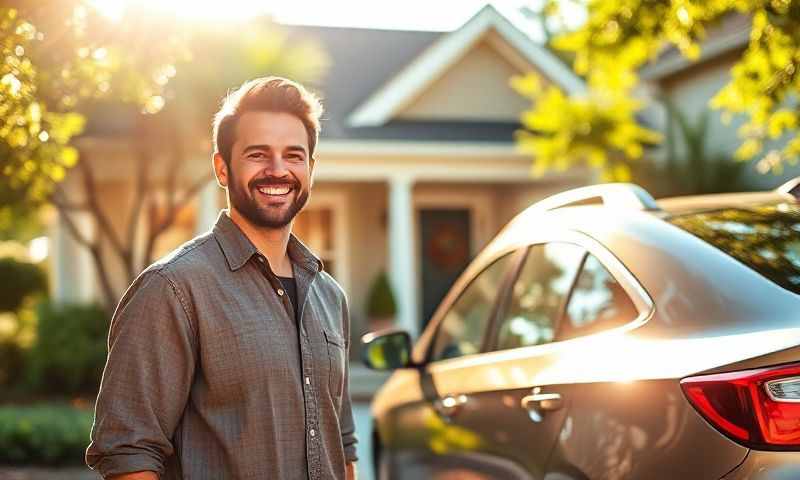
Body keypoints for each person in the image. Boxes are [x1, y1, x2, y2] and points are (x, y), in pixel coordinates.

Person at [86, 77, 358, 480]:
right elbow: (128, 452)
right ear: (222, 167)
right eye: (258, 154)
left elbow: (343, 443)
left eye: (294, 155)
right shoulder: (173, 289)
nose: (278, 170)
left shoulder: (329, 296)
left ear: (310, 170)